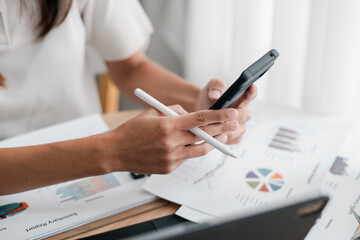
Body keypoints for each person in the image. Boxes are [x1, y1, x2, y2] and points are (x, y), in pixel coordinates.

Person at [0, 0, 256, 195]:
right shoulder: (108, 153)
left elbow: (130, 67)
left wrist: (201, 103)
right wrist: (112, 152)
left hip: (89, 171)